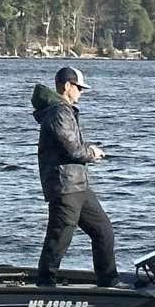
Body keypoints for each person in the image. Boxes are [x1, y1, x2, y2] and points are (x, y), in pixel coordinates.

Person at [31, 65, 118, 288]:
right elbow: (71, 150)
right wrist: (92, 153)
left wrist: (87, 148)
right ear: (67, 86)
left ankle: (108, 282)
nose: (81, 92)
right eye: (78, 87)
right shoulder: (59, 112)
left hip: (78, 186)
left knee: (103, 231)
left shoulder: (63, 111)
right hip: (65, 187)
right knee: (59, 238)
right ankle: (45, 286)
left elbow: (69, 145)